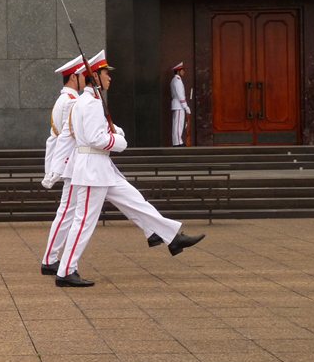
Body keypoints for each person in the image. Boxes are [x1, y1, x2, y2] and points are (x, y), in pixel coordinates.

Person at [56, 50, 205, 287]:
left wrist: (115, 132)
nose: (110, 78)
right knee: (83, 222)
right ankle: (65, 271)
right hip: (92, 169)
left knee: (136, 201)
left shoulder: (88, 102)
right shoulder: (90, 103)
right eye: (106, 74)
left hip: (101, 169)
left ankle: (173, 237)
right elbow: (96, 138)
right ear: (95, 76)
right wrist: (120, 142)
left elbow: (99, 131)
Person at [39, 55, 84, 275]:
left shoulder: (64, 100)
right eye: (84, 76)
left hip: (72, 163)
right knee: (67, 212)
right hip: (73, 163)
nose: (86, 80)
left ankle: (155, 230)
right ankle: (50, 259)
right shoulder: (70, 102)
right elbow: (69, 136)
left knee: (68, 211)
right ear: (74, 77)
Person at [170, 61, 191, 147]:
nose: (184, 72)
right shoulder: (177, 80)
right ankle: (178, 142)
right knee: (178, 124)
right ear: (178, 71)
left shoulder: (175, 80)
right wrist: (186, 107)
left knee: (177, 124)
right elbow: (180, 95)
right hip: (179, 105)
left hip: (177, 105)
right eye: (182, 70)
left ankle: (177, 142)